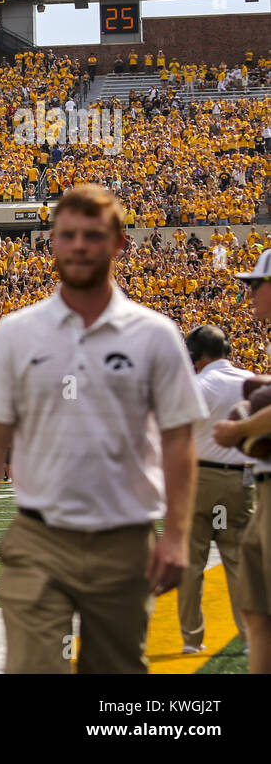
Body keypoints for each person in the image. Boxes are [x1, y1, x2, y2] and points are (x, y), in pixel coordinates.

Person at [0, 184, 206, 674]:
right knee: (33, 667)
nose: (80, 245)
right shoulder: (17, 331)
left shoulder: (155, 335)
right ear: (52, 244)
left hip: (126, 538)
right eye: (68, 235)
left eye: (94, 234)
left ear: (119, 244)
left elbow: (178, 441)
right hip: (38, 537)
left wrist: (175, 536)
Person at [212, 248, 271, 675]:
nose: (248, 293)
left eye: (256, 284)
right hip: (259, 488)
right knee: (256, 604)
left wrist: (240, 431)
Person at [180, 324, 254, 654]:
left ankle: (192, 640)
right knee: (239, 561)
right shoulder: (252, 381)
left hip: (201, 480)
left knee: (192, 563)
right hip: (241, 481)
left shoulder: (199, 384)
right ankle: (252, 637)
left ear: (195, 354)